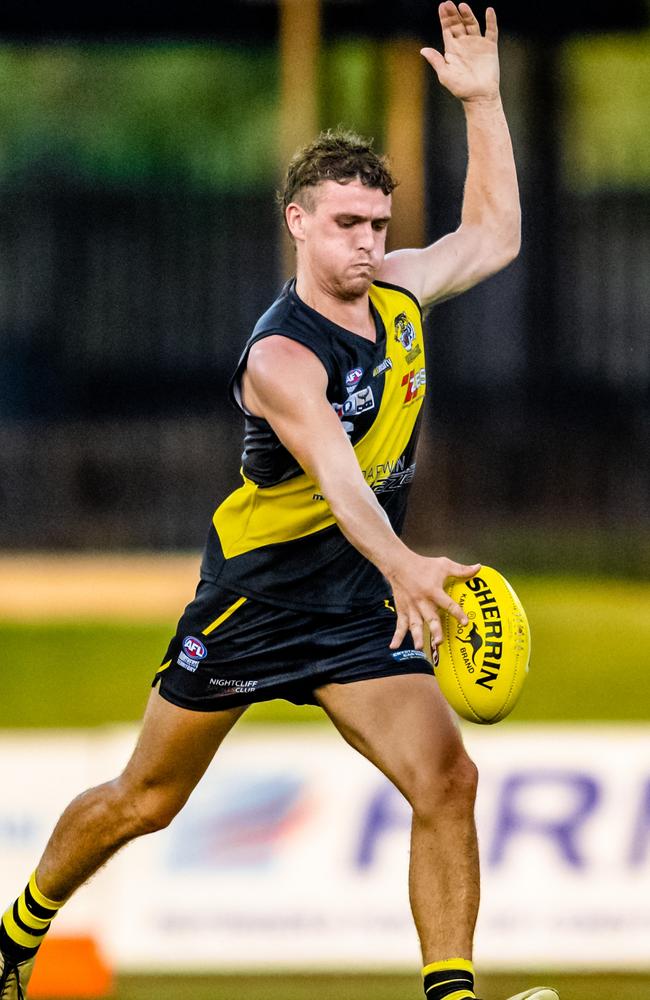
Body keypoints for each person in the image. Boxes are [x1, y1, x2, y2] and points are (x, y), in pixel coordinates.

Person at [0, 4, 558, 1000]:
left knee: (447, 779)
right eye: (346, 223)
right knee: (146, 798)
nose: (366, 242)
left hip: (354, 601)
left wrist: (482, 101)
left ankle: (452, 996)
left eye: (377, 224)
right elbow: (339, 481)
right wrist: (408, 563)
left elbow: (494, 234)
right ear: (296, 220)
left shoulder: (396, 292)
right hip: (257, 598)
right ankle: (15, 932)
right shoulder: (280, 356)